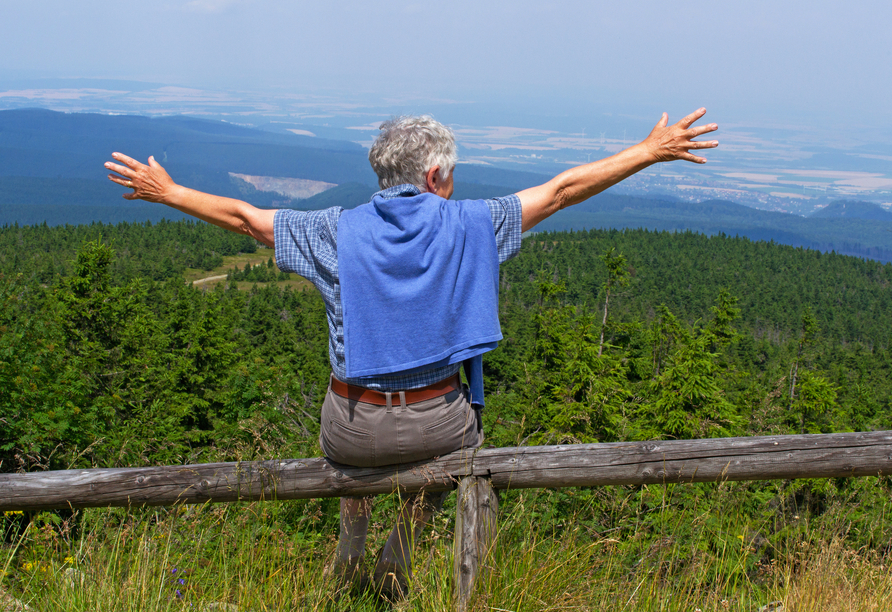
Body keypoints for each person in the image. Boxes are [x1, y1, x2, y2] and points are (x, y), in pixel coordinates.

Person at [105, 108, 717, 602]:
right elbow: (560, 192)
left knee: (350, 411)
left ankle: (352, 537)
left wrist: (169, 190)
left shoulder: (334, 232)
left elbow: (247, 221)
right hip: (438, 427)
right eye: (451, 176)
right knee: (459, 440)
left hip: (352, 430)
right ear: (432, 177)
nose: (454, 187)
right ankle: (402, 539)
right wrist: (649, 150)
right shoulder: (471, 223)